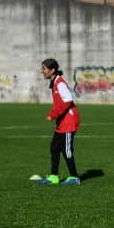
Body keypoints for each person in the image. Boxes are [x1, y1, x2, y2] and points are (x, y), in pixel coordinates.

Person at [38, 58, 80, 186]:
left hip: (69, 121)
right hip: (62, 121)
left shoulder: (60, 83)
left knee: (66, 150)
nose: (42, 71)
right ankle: (54, 177)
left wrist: (53, 114)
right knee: (54, 147)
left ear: (52, 70)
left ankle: (74, 177)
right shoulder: (55, 82)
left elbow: (67, 100)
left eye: (44, 69)